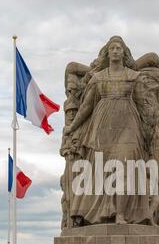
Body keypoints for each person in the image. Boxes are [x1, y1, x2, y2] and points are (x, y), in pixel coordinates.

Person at [64, 36, 152, 226]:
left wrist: (149, 131)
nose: (115, 51)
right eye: (112, 48)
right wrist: (73, 126)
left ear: (124, 52)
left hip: (129, 126)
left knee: (126, 169)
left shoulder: (133, 76)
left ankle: (120, 214)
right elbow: (86, 107)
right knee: (102, 172)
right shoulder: (98, 78)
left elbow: (143, 106)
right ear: (107, 52)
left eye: (118, 48)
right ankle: (101, 212)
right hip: (102, 127)